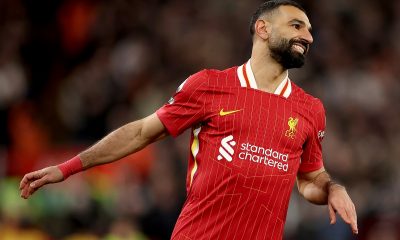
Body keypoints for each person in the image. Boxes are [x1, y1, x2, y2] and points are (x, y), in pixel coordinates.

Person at [20, 0, 358, 239]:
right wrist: (67, 168)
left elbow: (309, 178)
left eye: (310, 29)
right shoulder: (209, 85)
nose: (309, 37)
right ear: (263, 29)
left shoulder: (310, 109)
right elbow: (141, 132)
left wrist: (332, 187)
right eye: (297, 26)